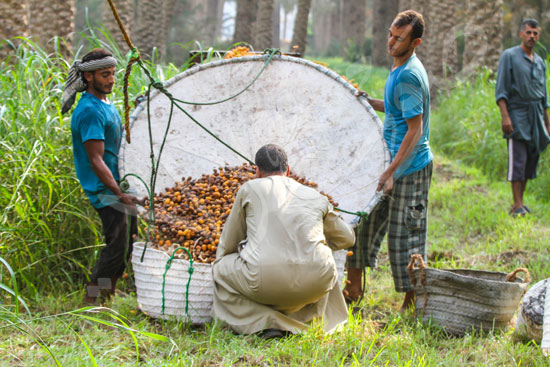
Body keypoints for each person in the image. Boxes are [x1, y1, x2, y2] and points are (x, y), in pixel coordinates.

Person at [211, 144, 355, 338]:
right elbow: (348, 238)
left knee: (219, 268)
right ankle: (309, 323)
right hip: (315, 280)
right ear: (288, 170)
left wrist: (229, 258)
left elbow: (230, 241)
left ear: (257, 171)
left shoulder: (249, 188)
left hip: (262, 279)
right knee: (324, 261)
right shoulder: (315, 196)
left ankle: (265, 322)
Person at [344, 10, 433, 312]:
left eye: (399, 39)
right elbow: (397, 110)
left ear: (415, 41)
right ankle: (352, 290)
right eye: (390, 35)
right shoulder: (398, 67)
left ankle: (413, 304)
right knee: (362, 224)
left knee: (404, 234)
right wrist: (370, 103)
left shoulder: (409, 74)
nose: (391, 42)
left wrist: (392, 171)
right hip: (390, 162)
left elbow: (415, 129)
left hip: (409, 167)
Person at [63, 48, 139, 304]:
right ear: (89, 77)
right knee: (115, 247)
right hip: (104, 190)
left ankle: (108, 294)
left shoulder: (106, 104)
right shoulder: (90, 111)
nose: (111, 79)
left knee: (127, 244)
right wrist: (118, 193)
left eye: (113, 74)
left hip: (117, 187)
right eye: (104, 75)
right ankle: (92, 301)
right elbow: (95, 160)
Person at [495, 18, 550, 216]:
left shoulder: (540, 62)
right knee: (517, 159)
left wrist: (546, 120)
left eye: (535, 33)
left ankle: (520, 203)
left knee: (529, 160)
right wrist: (505, 117)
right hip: (517, 113)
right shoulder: (509, 56)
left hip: (536, 115)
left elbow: (543, 95)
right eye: (528, 32)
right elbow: (501, 90)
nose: (532, 37)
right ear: (521, 34)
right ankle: (517, 204)